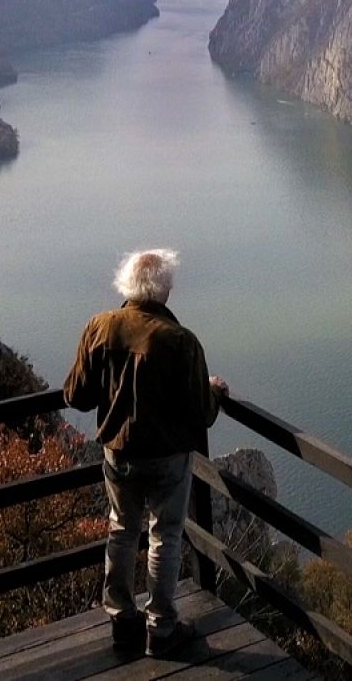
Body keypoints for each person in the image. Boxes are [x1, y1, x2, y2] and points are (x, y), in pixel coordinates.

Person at [63, 248, 228, 658]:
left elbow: (75, 396)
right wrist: (215, 392)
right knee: (165, 537)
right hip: (168, 459)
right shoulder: (180, 341)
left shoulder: (100, 327)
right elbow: (202, 414)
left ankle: (121, 620)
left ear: (127, 285)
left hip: (118, 454)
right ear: (165, 291)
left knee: (121, 530)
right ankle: (162, 628)